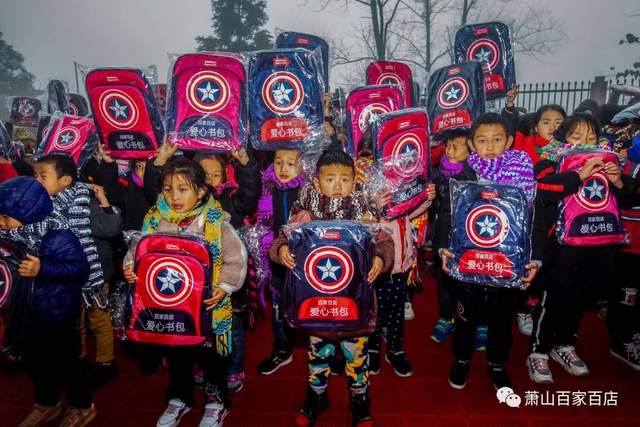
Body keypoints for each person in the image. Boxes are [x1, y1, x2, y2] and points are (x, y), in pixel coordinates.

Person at [270, 149, 394, 427]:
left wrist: (378, 259)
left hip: (354, 305)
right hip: (317, 306)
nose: (338, 185)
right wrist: (283, 252)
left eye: (345, 179)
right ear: (316, 182)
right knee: (318, 356)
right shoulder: (305, 215)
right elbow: (281, 240)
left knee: (357, 358)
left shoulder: (364, 214)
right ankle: (317, 396)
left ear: (355, 181)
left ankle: (360, 399)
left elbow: (385, 242)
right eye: (330, 179)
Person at [123, 158, 247, 427]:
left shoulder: (216, 222)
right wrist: (131, 267)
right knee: (177, 357)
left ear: (201, 190)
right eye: (168, 189)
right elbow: (138, 249)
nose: (174, 197)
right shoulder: (155, 219)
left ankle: (216, 402)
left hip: (207, 309)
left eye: (182, 189)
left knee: (212, 359)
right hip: (169, 307)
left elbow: (236, 259)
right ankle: (180, 397)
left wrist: (224, 287)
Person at [526, 113, 635, 384]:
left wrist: (617, 181)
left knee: (581, 297)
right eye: (576, 137)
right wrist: (577, 175)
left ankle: (565, 344)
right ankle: (538, 351)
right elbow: (542, 190)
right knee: (554, 298)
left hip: (598, 245)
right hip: (560, 248)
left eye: (591, 138)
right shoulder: (550, 160)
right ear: (563, 138)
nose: (585, 143)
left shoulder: (608, 161)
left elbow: (627, 196)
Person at [435, 113, 541, 391]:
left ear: (509, 141)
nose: (490, 146)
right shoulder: (463, 178)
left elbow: (535, 222)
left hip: (506, 265)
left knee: (501, 320)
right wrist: (443, 248)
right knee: (466, 316)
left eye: (497, 139)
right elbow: (446, 216)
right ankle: (461, 359)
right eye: (482, 140)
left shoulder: (522, 178)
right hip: (468, 263)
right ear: (472, 144)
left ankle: (496, 363)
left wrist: (535, 259)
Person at [0, 177, 95, 427]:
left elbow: (80, 270)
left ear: (28, 212)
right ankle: (47, 403)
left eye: (5, 217)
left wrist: (43, 268)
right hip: (27, 313)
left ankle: (82, 406)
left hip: (57, 315)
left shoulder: (57, 235)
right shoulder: (11, 235)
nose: (1, 222)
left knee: (67, 364)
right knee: (36, 362)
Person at [34, 153, 122, 388]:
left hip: (94, 275)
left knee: (98, 320)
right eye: (35, 175)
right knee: (75, 322)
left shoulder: (84, 201)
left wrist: (103, 201)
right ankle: (78, 360)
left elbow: (110, 229)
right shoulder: (43, 206)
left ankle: (105, 362)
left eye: (43, 176)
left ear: (65, 180)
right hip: (66, 276)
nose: (37, 181)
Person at [194, 148, 260, 393]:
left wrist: (245, 162)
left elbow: (250, 194)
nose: (211, 180)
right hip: (198, 281)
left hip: (230, 278)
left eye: (217, 175)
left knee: (232, 328)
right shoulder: (186, 203)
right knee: (200, 327)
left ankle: (233, 368)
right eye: (205, 175)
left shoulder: (231, 198)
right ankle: (203, 366)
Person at [256, 149, 308, 375]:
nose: (283, 168)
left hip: (304, 262)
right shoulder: (267, 187)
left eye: (290, 163)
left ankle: (321, 350)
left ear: (303, 165)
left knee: (309, 305)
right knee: (279, 308)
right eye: (279, 162)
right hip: (277, 261)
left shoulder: (309, 190)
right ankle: (282, 348)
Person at [430, 129, 471, 344]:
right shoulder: (438, 172)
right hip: (443, 232)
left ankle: (477, 323)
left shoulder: (474, 175)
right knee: (444, 280)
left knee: (469, 283)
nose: (449, 151)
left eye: (456, 147)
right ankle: (446, 318)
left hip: (467, 237)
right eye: (448, 146)